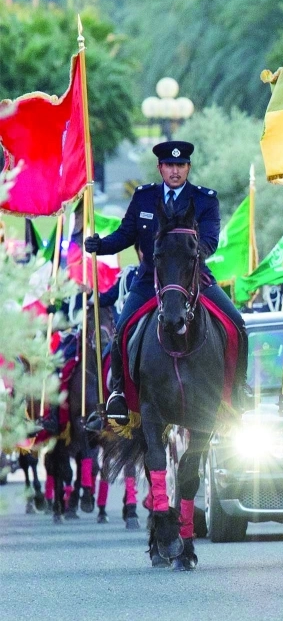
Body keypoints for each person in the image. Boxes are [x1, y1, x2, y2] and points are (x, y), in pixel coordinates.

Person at [84, 141, 248, 423]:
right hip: (149, 279)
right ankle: (120, 394)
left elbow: (209, 241)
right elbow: (126, 235)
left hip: (192, 279)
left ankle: (238, 389)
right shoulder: (144, 197)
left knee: (236, 324)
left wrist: (190, 254)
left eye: (181, 165)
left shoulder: (205, 200)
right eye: (170, 166)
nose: (175, 171)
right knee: (122, 330)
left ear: (188, 168)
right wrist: (100, 245)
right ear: (160, 168)